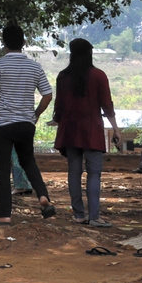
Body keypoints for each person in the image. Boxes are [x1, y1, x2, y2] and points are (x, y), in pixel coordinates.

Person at [0, 22, 54, 223]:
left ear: (4, 43)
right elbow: (47, 95)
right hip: (26, 124)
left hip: (3, 124)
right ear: (23, 42)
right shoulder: (35, 66)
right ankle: (42, 196)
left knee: (3, 168)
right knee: (28, 161)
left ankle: (3, 215)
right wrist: (36, 114)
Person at [53, 38, 118, 226]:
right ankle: (95, 216)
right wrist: (115, 128)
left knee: (74, 171)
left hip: (70, 129)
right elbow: (106, 105)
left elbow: (59, 105)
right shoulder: (98, 75)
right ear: (89, 53)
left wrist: (58, 121)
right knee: (94, 173)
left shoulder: (63, 76)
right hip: (92, 129)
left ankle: (79, 215)